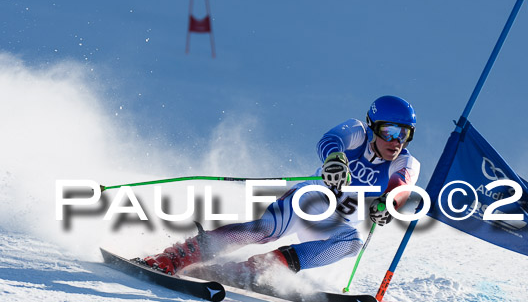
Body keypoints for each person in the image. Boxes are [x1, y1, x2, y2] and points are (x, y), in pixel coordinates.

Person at [144, 95, 420, 284]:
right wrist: (335, 159)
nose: (396, 141)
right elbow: (331, 139)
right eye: (390, 131)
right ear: (373, 127)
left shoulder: (406, 162)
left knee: (351, 244)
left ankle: (254, 270)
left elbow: (401, 186)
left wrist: (389, 202)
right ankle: (176, 256)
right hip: (306, 203)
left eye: (405, 133)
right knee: (265, 229)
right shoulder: (358, 132)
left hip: (336, 223)